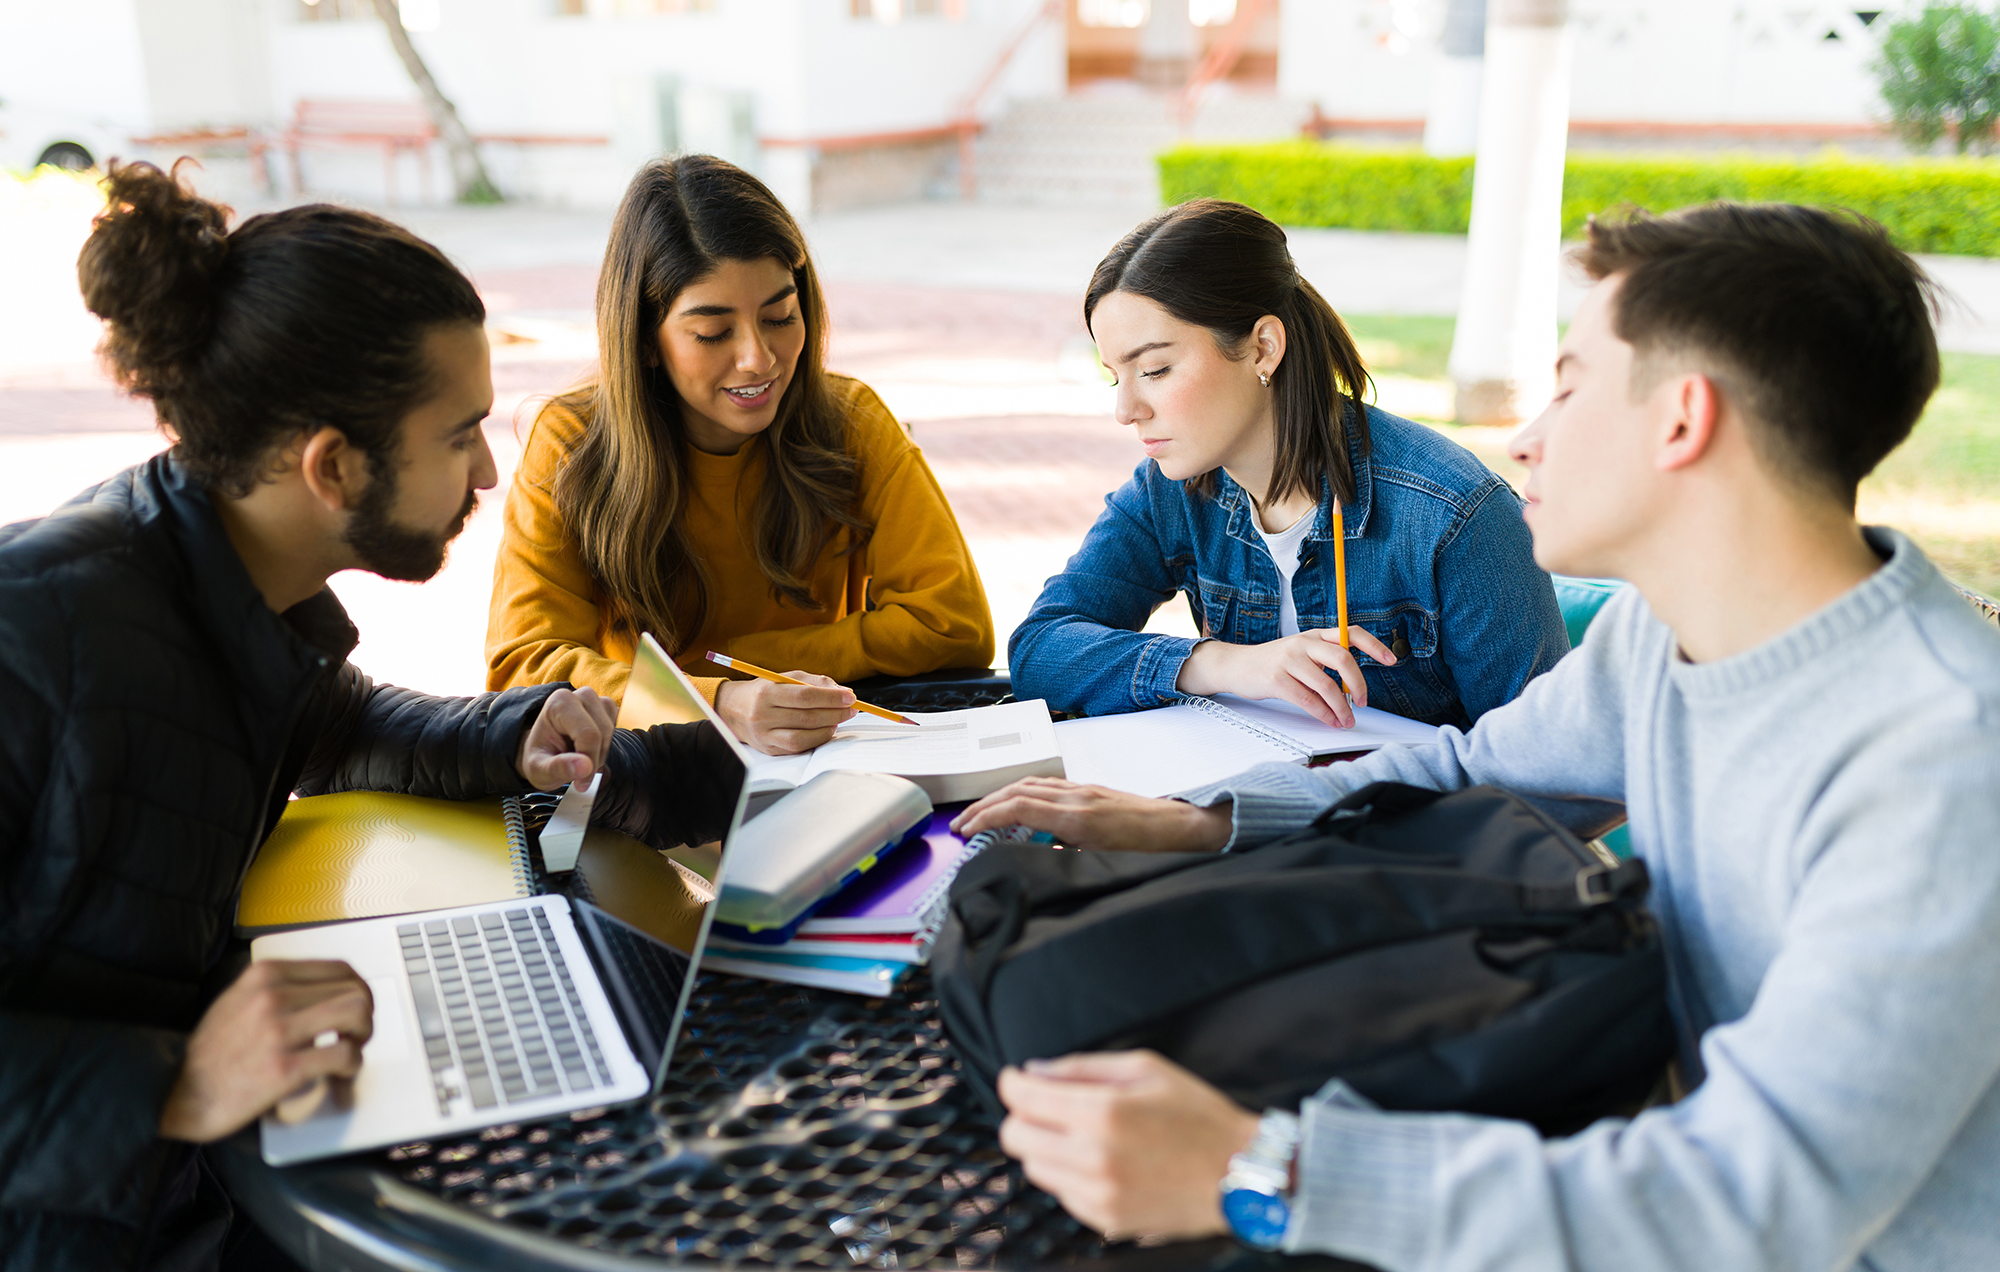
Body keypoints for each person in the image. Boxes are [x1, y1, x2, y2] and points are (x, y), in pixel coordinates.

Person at [952, 202, 2000, 1266]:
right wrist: (1197, 823)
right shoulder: (1666, 628)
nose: (1524, 436)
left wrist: (1261, 1170)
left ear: (1681, 421)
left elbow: (1744, 1198)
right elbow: (1476, 768)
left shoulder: (1939, 767)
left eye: (1569, 385)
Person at [0, 163, 692, 1272]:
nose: (487, 468)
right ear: (332, 464)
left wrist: (503, 732)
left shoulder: (220, 583)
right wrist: (172, 1081)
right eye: (459, 432)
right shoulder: (37, 631)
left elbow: (334, 726)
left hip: (173, 1188)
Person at [485, 155, 995, 756]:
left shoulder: (851, 421)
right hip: (650, 768)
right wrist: (718, 701)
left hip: (821, 757)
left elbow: (952, 624)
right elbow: (525, 671)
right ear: (646, 339)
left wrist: (723, 668)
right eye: (713, 333)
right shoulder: (570, 442)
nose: (759, 358)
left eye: (780, 316)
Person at [1008, 199, 1567, 730]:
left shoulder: (1455, 517)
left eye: (1154, 370)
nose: (1126, 410)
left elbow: (1545, 766)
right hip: (1252, 811)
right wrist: (1225, 665)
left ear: (1263, 348)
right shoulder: (1168, 493)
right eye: (1115, 376)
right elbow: (1041, 648)